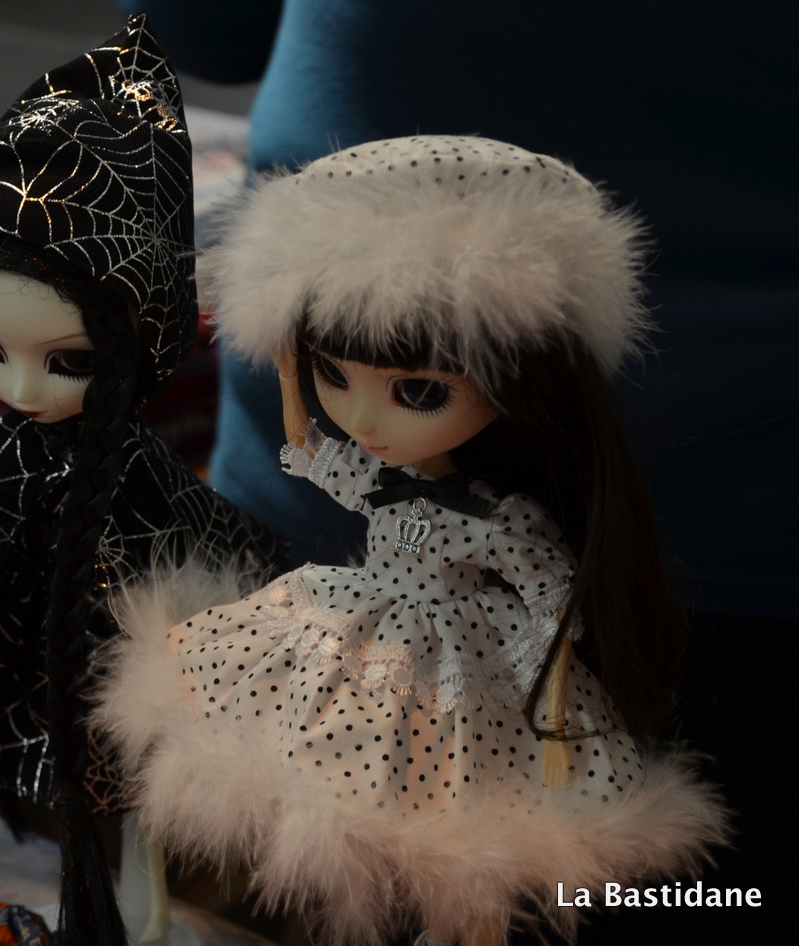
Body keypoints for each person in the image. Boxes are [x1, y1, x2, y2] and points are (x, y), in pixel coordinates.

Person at [92, 137, 728, 946]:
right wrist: (289, 367)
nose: (362, 420)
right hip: (353, 628)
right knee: (321, 794)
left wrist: (554, 701)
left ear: (522, 382)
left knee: (457, 828)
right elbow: (309, 446)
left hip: (460, 662)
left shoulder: (498, 518)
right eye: (333, 375)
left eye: (419, 392)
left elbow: (551, 600)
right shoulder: (375, 478)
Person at [0, 16, 286, 946]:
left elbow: (204, 553)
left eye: (68, 360)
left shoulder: (138, 477)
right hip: (37, 650)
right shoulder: (5, 449)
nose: (20, 390)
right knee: (82, 788)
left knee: (141, 776)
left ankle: (145, 909)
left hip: (134, 653)